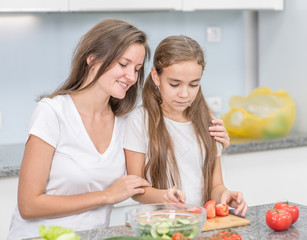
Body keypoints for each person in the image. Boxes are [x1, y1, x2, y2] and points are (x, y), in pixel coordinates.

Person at [7, 18, 152, 240]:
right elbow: (28, 205)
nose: (131, 77)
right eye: (123, 65)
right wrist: (106, 196)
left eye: (137, 69)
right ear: (92, 59)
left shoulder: (125, 122)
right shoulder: (52, 112)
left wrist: (207, 130)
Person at [124, 35, 248, 217]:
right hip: (158, 226)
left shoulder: (208, 120)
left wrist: (225, 194)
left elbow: (216, 186)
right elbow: (136, 189)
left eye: (193, 84)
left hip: (200, 224)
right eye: (174, 84)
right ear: (156, 77)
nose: (184, 94)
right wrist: (164, 196)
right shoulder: (139, 120)